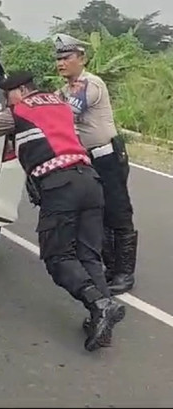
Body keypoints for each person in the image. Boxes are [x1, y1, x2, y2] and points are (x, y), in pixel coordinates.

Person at [0, 71, 125, 352]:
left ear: (19, 91)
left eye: (7, 96)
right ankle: (102, 317)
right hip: (90, 180)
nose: (6, 102)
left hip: (60, 185)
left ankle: (100, 304)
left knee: (58, 257)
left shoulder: (17, 111)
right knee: (89, 254)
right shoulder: (60, 103)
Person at [54, 34, 138, 296]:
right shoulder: (65, 91)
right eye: (58, 59)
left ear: (82, 59)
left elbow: (70, 113)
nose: (61, 63)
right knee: (96, 214)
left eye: (67, 58)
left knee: (117, 212)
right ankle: (110, 268)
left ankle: (124, 274)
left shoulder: (92, 84)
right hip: (87, 158)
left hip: (108, 156)